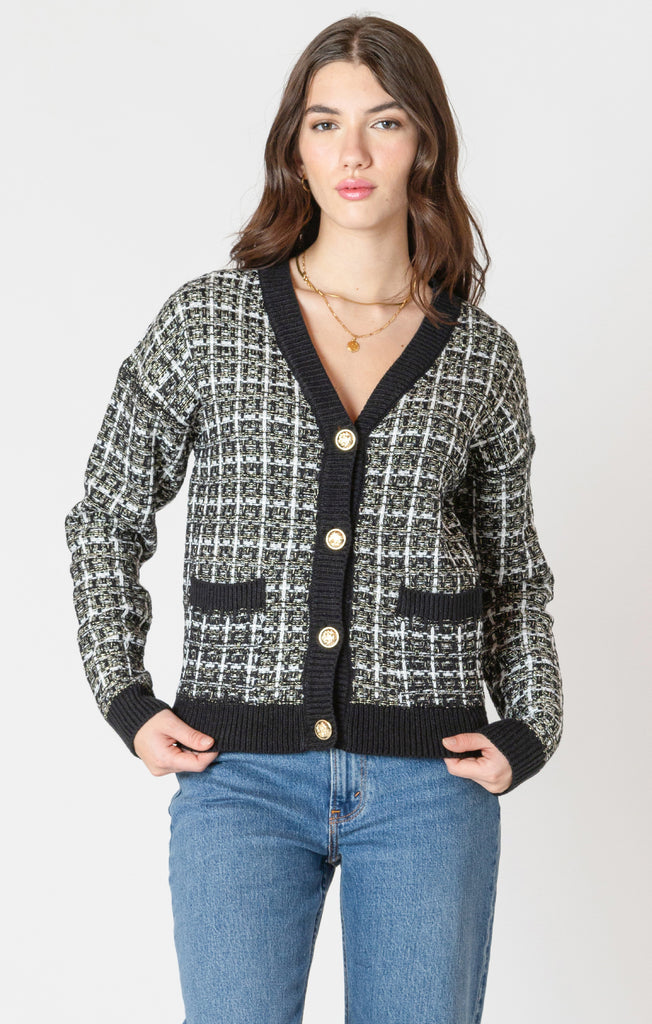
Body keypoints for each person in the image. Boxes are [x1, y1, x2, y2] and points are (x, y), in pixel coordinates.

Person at [64, 14, 563, 1024]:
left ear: (424, 143)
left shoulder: (480, 355)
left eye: (385, 121)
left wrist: (531, 723)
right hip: (238, 774)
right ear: (295, 145)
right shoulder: (207, 321)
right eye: (326, 122)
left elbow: (514, 571)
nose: (353, 152)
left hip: (429, 782)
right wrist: (124, 694)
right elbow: (105, 515)